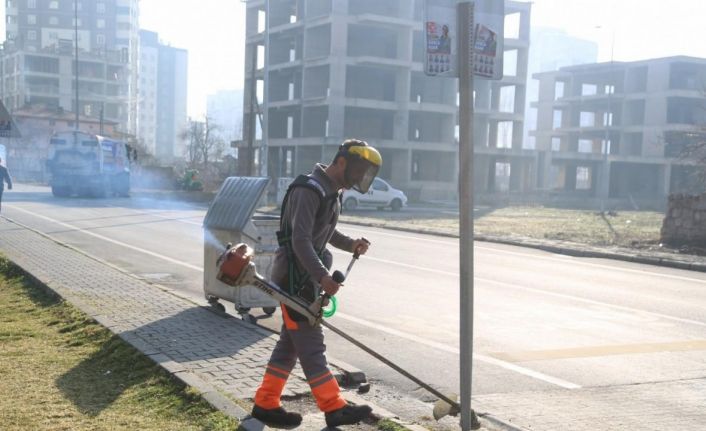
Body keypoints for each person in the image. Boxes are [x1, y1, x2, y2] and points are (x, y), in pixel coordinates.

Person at [251, 139, 382, 428]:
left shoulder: (329, 191)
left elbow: (326, 230)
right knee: (311, 345)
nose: (359, 179)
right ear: (342, 162)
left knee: (290, 345)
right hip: (294, 280)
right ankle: (334, 406)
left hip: (304, 279)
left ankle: (265, 402)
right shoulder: (309, 189)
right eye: (358, 171)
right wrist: (323, 275)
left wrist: (351, 244)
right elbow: (300, 240)